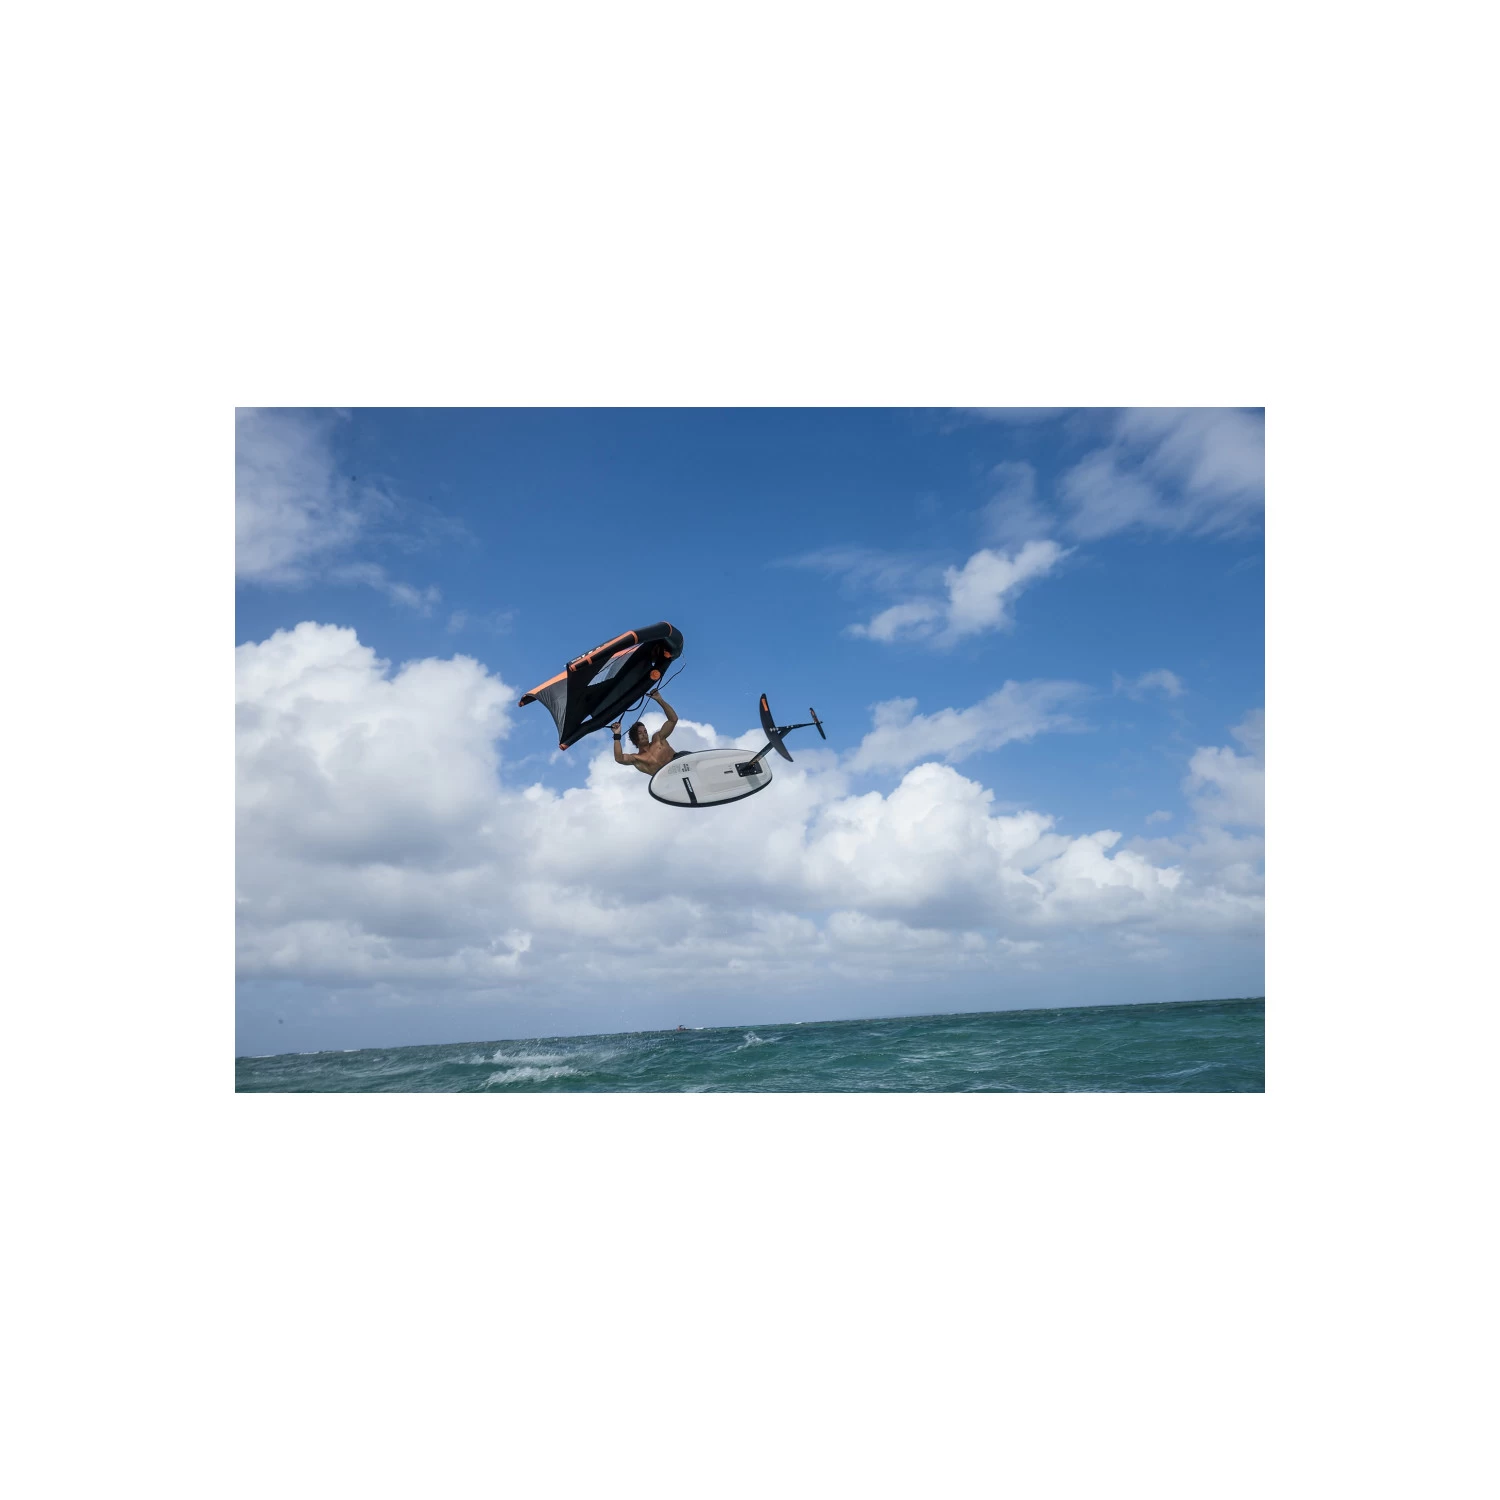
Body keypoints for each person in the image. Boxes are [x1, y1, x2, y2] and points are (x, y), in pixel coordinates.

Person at [610, 689, 678, 774]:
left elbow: (673, 720)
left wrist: (659, 700)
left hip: (682, 765)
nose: (644, 734)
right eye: (640, 733)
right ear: (634, 738)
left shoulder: (658, 739)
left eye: (645, 732)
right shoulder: (637, 759)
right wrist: (617, 735)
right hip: (667, 779)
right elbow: (619, 758)